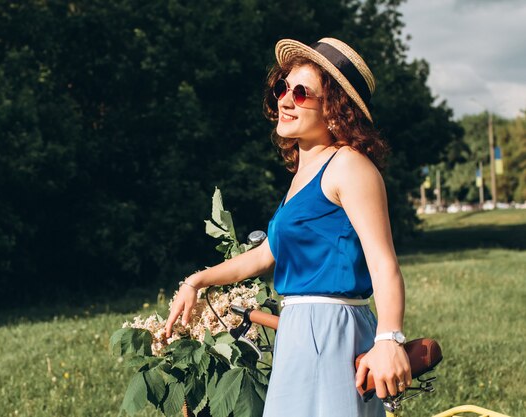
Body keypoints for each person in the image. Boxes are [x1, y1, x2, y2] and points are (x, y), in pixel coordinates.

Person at [164, 37, 411, 417]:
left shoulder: (348, 166)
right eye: (282, 87)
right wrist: (197, 281)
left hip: (333, 330)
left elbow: (383, 263)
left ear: (334, 110)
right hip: (299, 328)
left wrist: (389, 339)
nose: (285, 99)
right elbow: (266, 254)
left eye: (301, 93)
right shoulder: (303, 174)